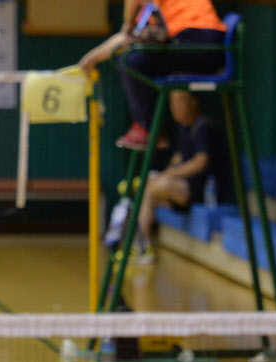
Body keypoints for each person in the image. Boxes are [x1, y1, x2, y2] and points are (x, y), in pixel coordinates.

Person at [78, 0, 227, 150]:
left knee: (131, 62)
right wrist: (91, 58)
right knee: (135, 59)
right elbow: (126, 39)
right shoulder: (156, 10)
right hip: (212, 47)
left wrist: (127, 23)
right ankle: (149, 129)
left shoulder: (152, 10)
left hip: (193, 42)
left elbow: (126, 37)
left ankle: (147, 129)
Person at [134, 89, 226, 262]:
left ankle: (140, 246)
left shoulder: (203, 126)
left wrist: (167, 175)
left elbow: (201, 162)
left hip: (205, 193)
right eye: (172, 101)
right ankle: (140, 244)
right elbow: (179, 158)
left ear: (193, 102)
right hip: (185, 190)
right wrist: (162, 174)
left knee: (157, 187)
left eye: (179, 101)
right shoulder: (185, 127)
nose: (174, 107)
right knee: (148, 187)